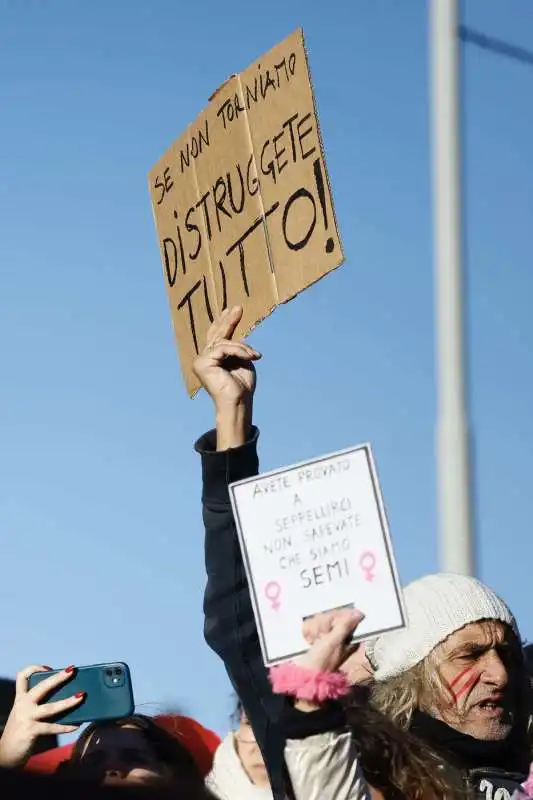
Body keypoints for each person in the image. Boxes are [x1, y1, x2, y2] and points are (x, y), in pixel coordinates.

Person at [192, 307, 469, 799]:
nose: (338, 645)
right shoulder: (309, 740)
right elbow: (237, 610)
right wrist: (232, 417)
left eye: (362, 637)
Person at [367, 573, 532, 799]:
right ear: (413, 678)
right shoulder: (375, 781)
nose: (500, 675)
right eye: (470, 655)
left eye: (506, 654)